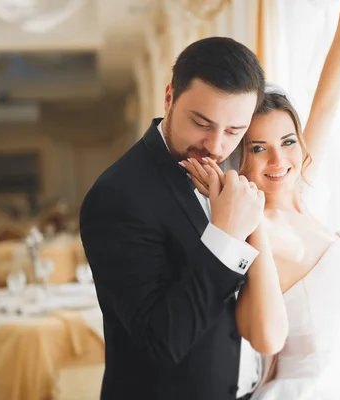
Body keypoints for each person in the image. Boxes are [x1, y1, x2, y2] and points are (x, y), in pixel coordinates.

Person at [181, 1, 340, 398]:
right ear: (239, 160)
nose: (279, 160)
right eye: (258, 148)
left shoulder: (300, 191)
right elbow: (264, 337)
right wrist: (243, 212)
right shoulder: (255, 230)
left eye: (288, 142)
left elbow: (325, 106)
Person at [79, 37, 266, 400]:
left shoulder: (237, 178)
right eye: (201, 122)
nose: (216, 146)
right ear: (169, 98)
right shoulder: (116, 196)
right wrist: (225, 236)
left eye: (234, 131)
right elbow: (160, 341)